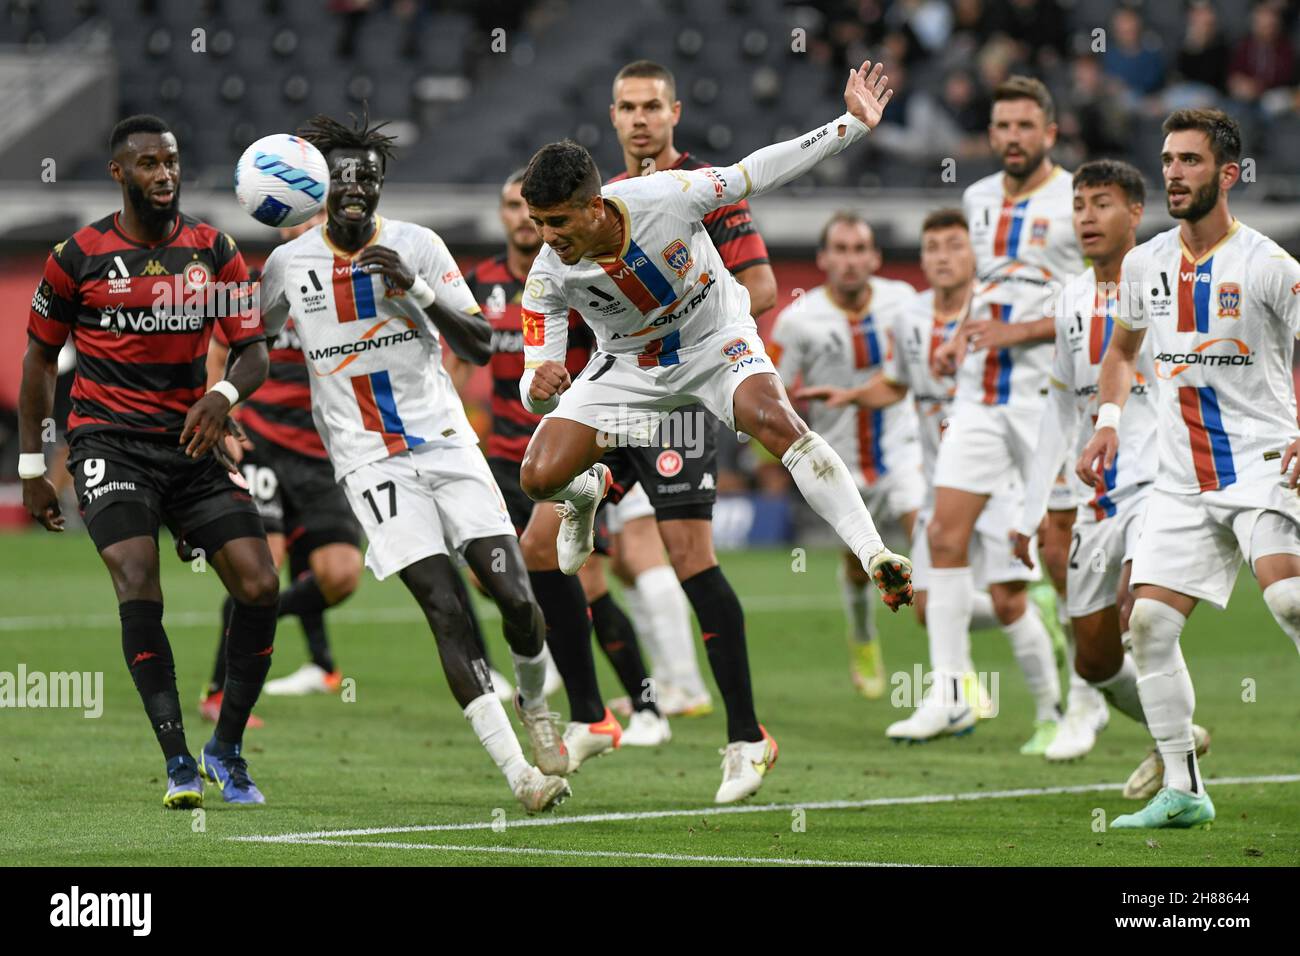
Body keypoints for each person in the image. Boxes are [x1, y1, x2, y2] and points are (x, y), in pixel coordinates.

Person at [516, 61, 913, 803]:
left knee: (768, 434)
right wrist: (537, 377)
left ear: (594, 205)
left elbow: (762, 170)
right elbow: (539, 352)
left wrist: (851, 125)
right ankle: (585, 497)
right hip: (629, 370)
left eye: (557, 223)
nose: (547, 238)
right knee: (537, 476)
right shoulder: (550, 267)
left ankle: (871, 554)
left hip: (712, 345)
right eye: (538, 225)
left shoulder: (671, 193)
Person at [257, 111, 569, 813]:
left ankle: (535, 700)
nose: (356, 185)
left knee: (515, 597)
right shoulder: (287, 264)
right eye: (342, 175)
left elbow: (483, 346)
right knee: (443, 607)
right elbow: (255, 342)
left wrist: (416, 290)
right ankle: (521, 775)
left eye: (368, 174)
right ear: (319, 186)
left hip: (446, 444)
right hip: (370, 464)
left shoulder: (419, 247)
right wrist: (222, 397)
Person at [20, 114, 278, 807]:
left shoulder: (213, 250)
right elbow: (40, 359)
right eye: (147, 165)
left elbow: (252, 347)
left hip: (190, 444)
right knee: (138, 577)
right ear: (119, 173)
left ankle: (225, 748)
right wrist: (32, 467)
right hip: (109, 443)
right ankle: (178, 762)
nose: (163, 174)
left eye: (170, 162)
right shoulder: (76, 256)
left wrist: (222, 396)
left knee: (259, 585)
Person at [1078, 108, 1300, 829]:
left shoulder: (1268, 266)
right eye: (1168, 160)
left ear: (1228, 174)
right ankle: (1184, 790)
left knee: (1290, 601)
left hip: (1265, 465)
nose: (1174, 173)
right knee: (1146, 625)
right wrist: (1108, 424)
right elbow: (1120, 353)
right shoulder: (1144, 265)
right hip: (1181, 479)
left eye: (1191, 162)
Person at [1013, 159, 1210, 776]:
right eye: (1079, 205)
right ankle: (1176, 734)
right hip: (1096, 496)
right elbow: (1062, 408)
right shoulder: (1069, 297)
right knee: (1093, 662)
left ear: (1133, 212)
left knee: (1140, 607)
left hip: (1164, 480)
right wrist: (1034, 510)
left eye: (1102, 204)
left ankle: (1182, 780)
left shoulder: (1169, 278)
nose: (1087, 217)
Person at [919, 76, 1086, 752]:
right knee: (943, 536)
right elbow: (988, 287)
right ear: (990, 136)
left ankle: (1087, 695)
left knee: (1062, 554)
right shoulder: (977, 198)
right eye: (1003, 127)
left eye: (1026, 126)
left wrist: (1023, 333)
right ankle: (951, 695)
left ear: (1049, 132)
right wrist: (963, 331)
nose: (1013, 137)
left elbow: (1098, 302)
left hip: (1049, 399)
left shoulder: (1078, 202)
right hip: (982, 396)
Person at [200, 211, 364, 718]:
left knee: (341, 575)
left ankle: (249, 615)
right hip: (265, 445)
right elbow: (220, 350)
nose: (301, 225)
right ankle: (220, 692)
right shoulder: (257, 283)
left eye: (311, 212)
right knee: (260, 572)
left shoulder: (353, 282)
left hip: (325, 455)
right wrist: (226, 413)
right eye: (291, 215)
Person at [771, 211, 923, 698]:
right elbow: (772, 391)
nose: (851, 260)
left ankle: (951, 676)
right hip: (841, 463)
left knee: (932, 551)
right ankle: (862, 636)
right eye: (840, 249)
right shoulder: (797, 322)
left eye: (860, 249)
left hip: (906, 451)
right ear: (823, 258)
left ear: (876, 257)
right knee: (859, 566)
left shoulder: (905, 303)